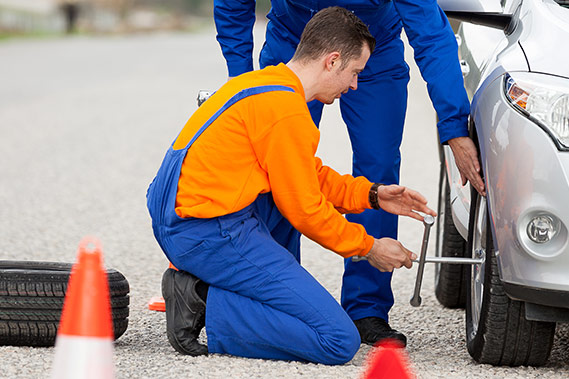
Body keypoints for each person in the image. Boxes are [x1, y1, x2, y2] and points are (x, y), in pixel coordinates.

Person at [147, 7, 436, 364]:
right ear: (332, 61)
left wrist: (372, 195)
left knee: (298, 309)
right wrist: (368, 247)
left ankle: (213, 292)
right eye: (355, 72)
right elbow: (305, 210)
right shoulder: (286, 111)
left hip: (187, 220)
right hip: (212, 231)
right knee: (337, 340)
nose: (355, 85)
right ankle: (203, 300)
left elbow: (306, 173)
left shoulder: (264, 85)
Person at [213, 0, 486, 346]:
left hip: (372, 52)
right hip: (295, 46)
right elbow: (232, 5)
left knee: (379, 171)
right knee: (273, 165)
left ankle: (366, 308)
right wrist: (243, 83)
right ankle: (274, 297)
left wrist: (454, 126)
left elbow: (431, 33)